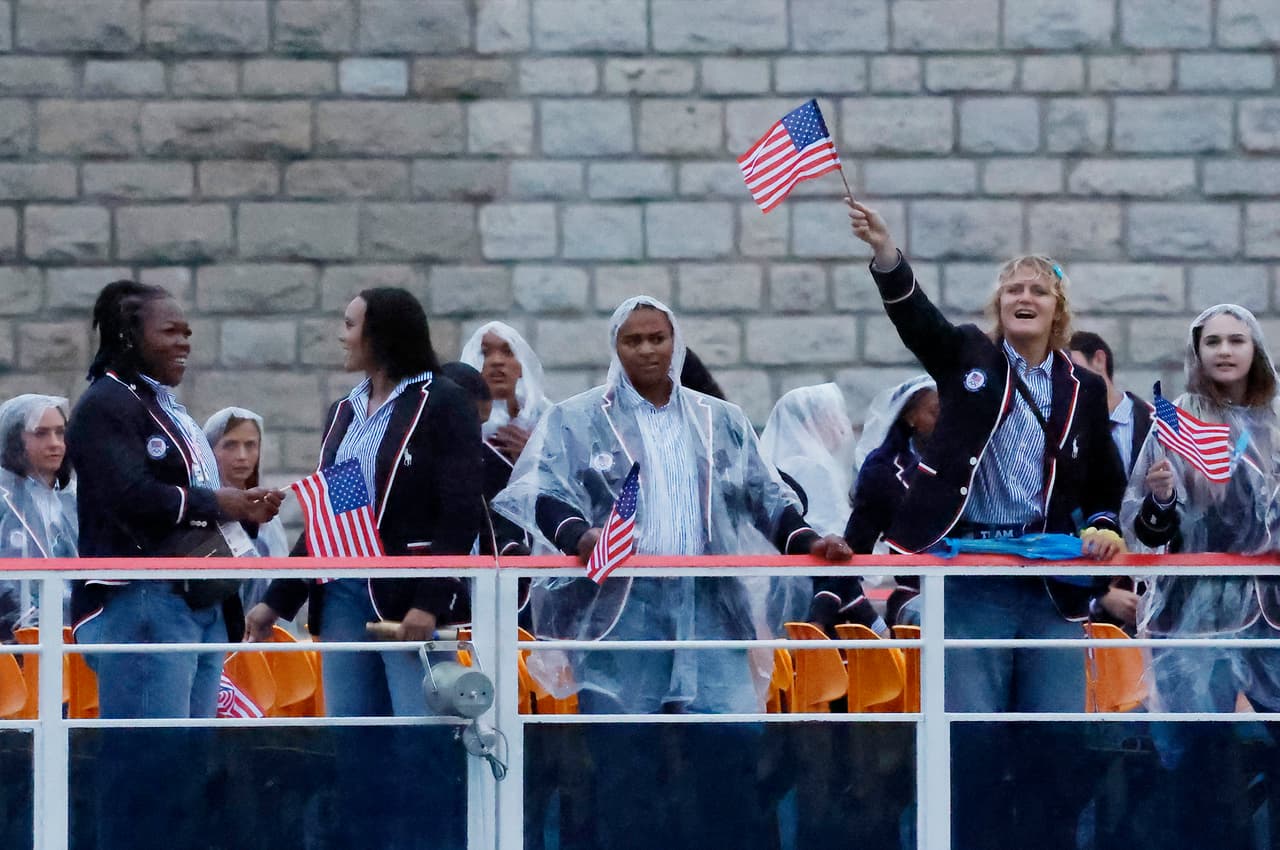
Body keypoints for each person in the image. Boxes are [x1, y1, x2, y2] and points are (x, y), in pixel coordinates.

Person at [847, 199, 1128, 850]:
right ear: (998, 305)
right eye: (1012, 289)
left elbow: (1106, 482)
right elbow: (915, 321)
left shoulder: (1083, 388)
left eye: (1037, 289)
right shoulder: (968, 357)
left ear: (1059, 310)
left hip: (1053, 584)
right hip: (971, 575)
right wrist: (887, 254)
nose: (1023, 297)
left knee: (1056, 742)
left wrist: (1107, 525)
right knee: (970, 741)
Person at [495, 296, 851, 714]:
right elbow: (542, 491)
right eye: (633, 341)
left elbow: (766, 496)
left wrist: (808, 541)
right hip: (623, 604)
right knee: (626, 742)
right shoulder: (577, 418)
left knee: (729, 733)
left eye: (657, 338)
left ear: (675, 343)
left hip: (712, 603)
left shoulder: (722, 419)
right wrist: (580, 535)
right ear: (616, 347)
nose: (646, 350)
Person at [246, 287, 484, 717]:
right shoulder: (345, 411)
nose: (342, 336)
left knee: (421, 732)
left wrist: (430, 602)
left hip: (407, 594)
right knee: (353, 733)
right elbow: (332, 515)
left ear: (383, 335)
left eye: (350, 325)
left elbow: (460, 511)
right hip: (341, 592)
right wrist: (276, 601)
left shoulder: (444, 402)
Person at [68, 280, 283, 719]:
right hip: (142, 600)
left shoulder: (165, 406)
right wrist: (221, 502)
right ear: (129, 335)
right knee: (151, 761)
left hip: (198, 599)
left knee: (189, 758)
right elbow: (128, 496)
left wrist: (245, 511)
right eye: (170, 331)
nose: (183, 342)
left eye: (186, 332)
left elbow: (196, 501)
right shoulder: (104, 404)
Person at [1121, 304, 1280, 846]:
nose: (1225, 351)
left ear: (1255, 350)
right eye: (1213, 341)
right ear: (1198, 351)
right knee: (1199, 755)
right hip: (1196, 612)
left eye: (1237, 340)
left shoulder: (1277, 423)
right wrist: (1162, 497)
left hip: (1272, 614)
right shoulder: (1177, 421)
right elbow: (1144, 528)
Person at [759, 383, 884, 635]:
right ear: (810, 422)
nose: (841, 423)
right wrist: (873, 622)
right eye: (832, 415)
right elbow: (833, 545)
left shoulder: (782, 465)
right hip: (818, 598)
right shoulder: (812, 469)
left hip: (787, 592)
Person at [1068, 330, 1152, 631]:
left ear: (1099, 360)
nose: (1067, 378)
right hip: (1090, 608)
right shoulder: (1061, 437)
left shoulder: (1161, 426)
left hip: (1157, 597)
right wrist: (1098, 594)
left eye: (1073, 366)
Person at [845, 375, 939, 627]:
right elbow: (855, 550)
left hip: (973, 592)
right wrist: (874, 625)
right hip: (918, 593)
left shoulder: (970, 464)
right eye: (934, 412)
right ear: (910, 418)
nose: (946, 421)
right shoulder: (884, 472)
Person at [0, 394, 78, 640]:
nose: (55, 443)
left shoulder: (75, 498)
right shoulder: (4, 500)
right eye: (41, 433)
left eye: (60, 432)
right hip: (15, 641)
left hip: (76, 637)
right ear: (15, 439)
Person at [203, 407, 291, 618]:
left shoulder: (268, 514)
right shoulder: (201, 511)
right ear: (210, 449)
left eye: (250, 445)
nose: (242, 456)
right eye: (230, 445)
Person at [459, 321, 551, 466]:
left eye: (508, 352)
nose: (497, 361)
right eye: (484, 353)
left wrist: (536, 456)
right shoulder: (458, 420)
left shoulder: (548, 419)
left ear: (522, 366)